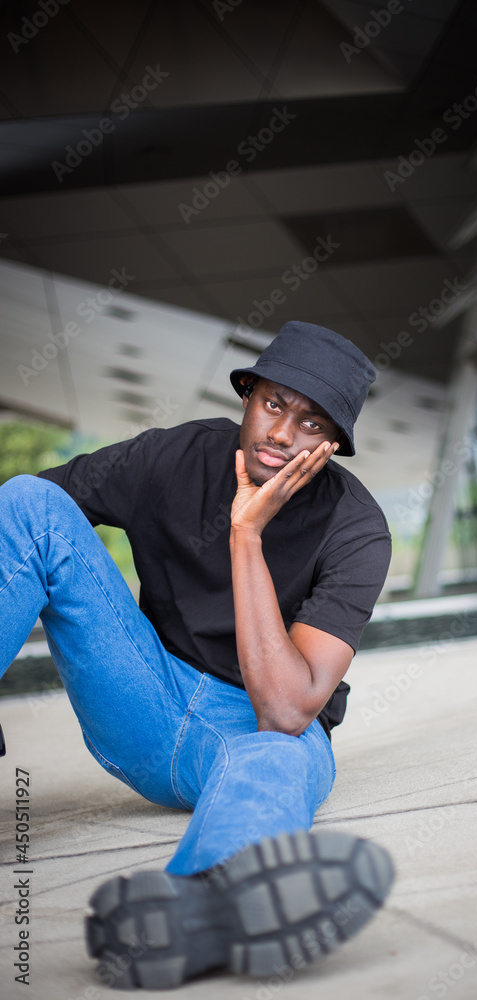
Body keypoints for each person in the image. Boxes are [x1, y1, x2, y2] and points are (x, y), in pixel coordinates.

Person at [0, 321, 394, 991]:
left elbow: (284, 708)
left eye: (310, 422)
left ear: (332, 444)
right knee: (28, 501)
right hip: (145, 699)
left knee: (282, 756)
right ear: (247, 396)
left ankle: (199, 909)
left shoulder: (357, 530)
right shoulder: (176, 456)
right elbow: (21, 529)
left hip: (256, 732)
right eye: (273, 404)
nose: (280, 433)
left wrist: (246, 535)